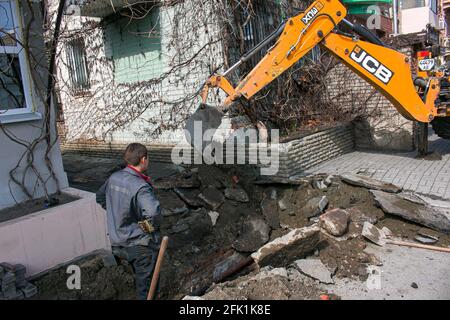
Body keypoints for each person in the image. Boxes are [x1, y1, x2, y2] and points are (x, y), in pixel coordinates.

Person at [96, 143, 162, 300]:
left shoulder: (114, 177)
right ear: (143, 159)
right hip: (138, 246)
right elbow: (153, 214)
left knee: (139, 279)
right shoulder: (140, 186)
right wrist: (146, 227)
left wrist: (117, 214)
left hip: (117, 242)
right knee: (147, 290)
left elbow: (100, 197)